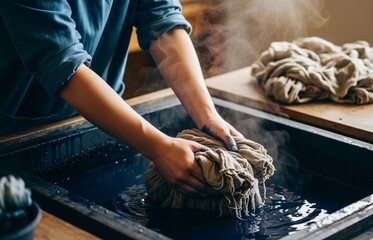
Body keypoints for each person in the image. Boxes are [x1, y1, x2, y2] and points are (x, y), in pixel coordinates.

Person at [0, 0, 242, 197]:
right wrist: (159, 146)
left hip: (104, 122)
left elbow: (162, 19)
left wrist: (207, 115)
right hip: (16, 137)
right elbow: (61, 61)